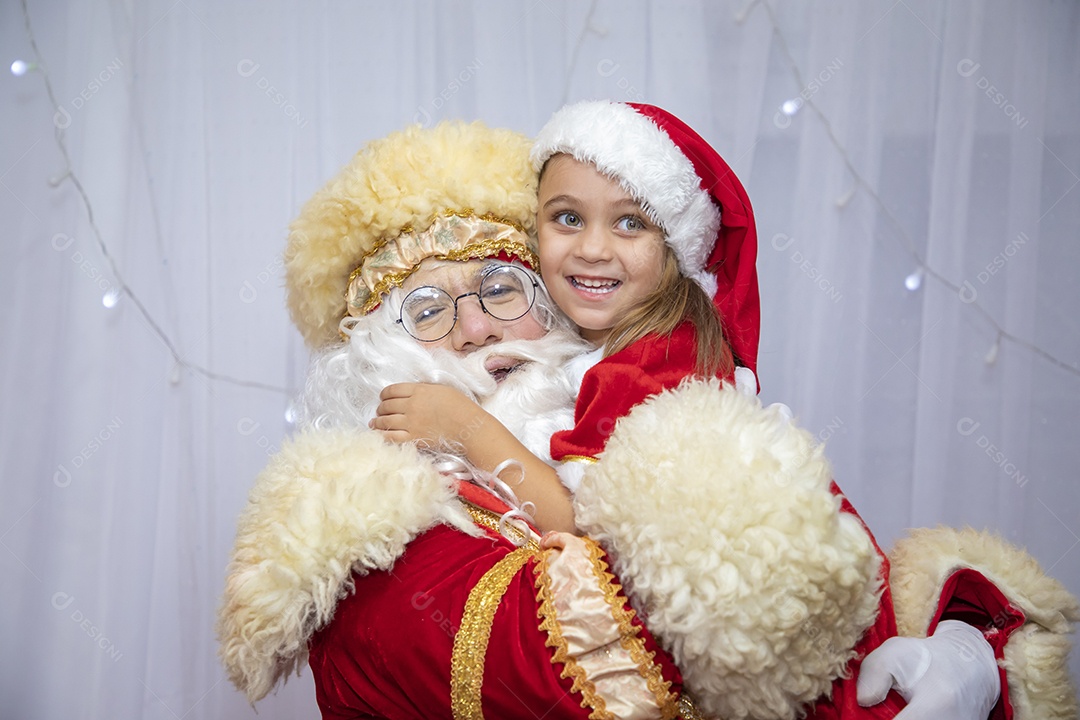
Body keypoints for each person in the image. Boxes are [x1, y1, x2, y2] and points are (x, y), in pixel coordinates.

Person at [217, 118, 1079, 719]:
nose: (477, 327)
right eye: (430, 310)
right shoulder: (373, 540)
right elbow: (633, 658)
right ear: (372, 355)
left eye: (499, 289)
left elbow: (823, 561)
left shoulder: (627, 417)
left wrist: (961, 648)